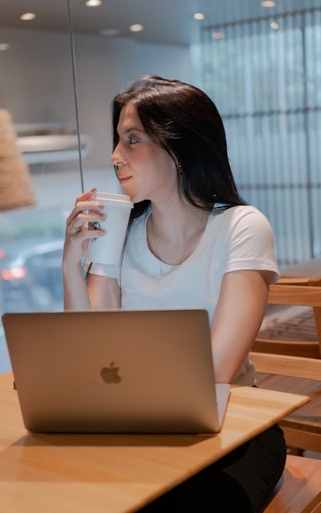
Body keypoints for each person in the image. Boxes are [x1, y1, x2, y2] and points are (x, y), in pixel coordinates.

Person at [63, 75, 286, 512]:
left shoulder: (242, 226)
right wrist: (73, 262)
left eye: (132, 141)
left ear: (179, 149)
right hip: (135, 426)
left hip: (233, 431)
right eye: (117, 141)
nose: (114, 157)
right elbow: (85, 350)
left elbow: (217, 371)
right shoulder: (121, 231)